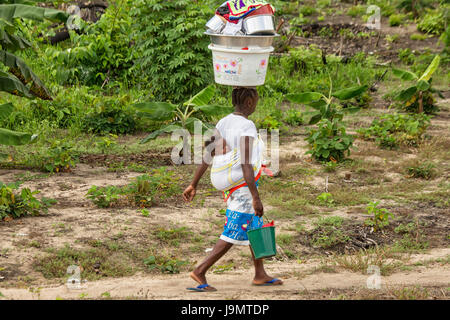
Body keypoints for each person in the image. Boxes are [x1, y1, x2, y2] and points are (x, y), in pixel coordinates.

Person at [182, 87, 283, 292]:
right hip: (242, 186)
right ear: (248, 103)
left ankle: (260, 274)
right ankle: (200, 270)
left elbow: (208, 154)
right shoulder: (247, 125)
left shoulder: (224, 121)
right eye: (255, 101)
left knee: (254, 226)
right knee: (234, 230)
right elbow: (246, 163)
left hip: (234, 184)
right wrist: (256, 197)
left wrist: (194, 183)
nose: (256, 105)